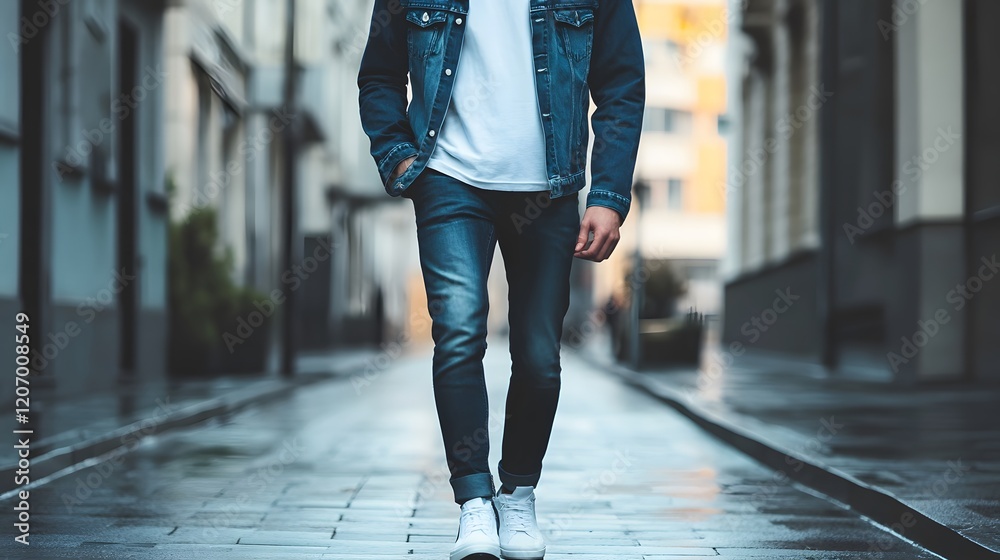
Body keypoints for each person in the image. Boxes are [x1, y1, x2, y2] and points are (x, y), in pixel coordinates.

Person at [359, 0, 644, 558]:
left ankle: (516, 494)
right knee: (461, 331)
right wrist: (396, 157)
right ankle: (473, 501)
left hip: (551, 186)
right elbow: (379, 73)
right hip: (448, 178)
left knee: (539, 353)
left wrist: (608, 195)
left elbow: (621, 83)